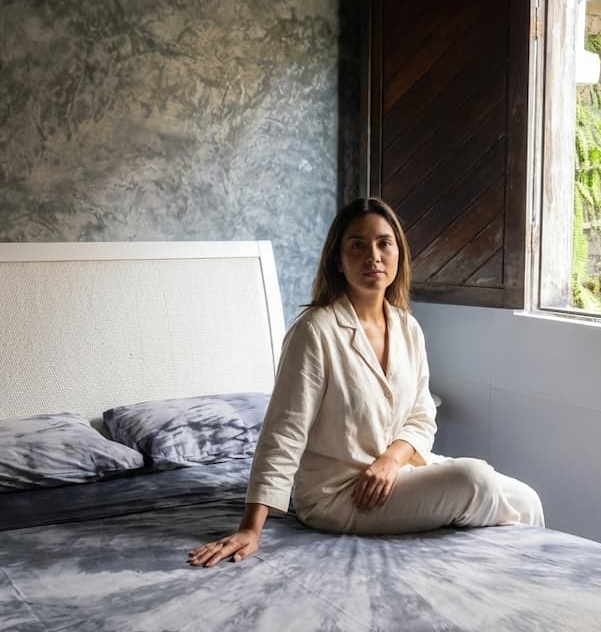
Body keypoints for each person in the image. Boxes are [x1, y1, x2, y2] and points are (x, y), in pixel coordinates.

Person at [189, 198, 544, 568]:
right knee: (474, 479)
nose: (373, 256)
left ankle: (524, 580)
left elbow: (422, 416)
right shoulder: (314, 332)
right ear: (338, 261)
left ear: (398, 254)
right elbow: (284, 433)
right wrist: (250, 528)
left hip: (398, 472)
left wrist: (391, 459)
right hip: (341, 494)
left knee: (527, 499)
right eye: (357, 245)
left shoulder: (407, 328)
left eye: (383, 243)